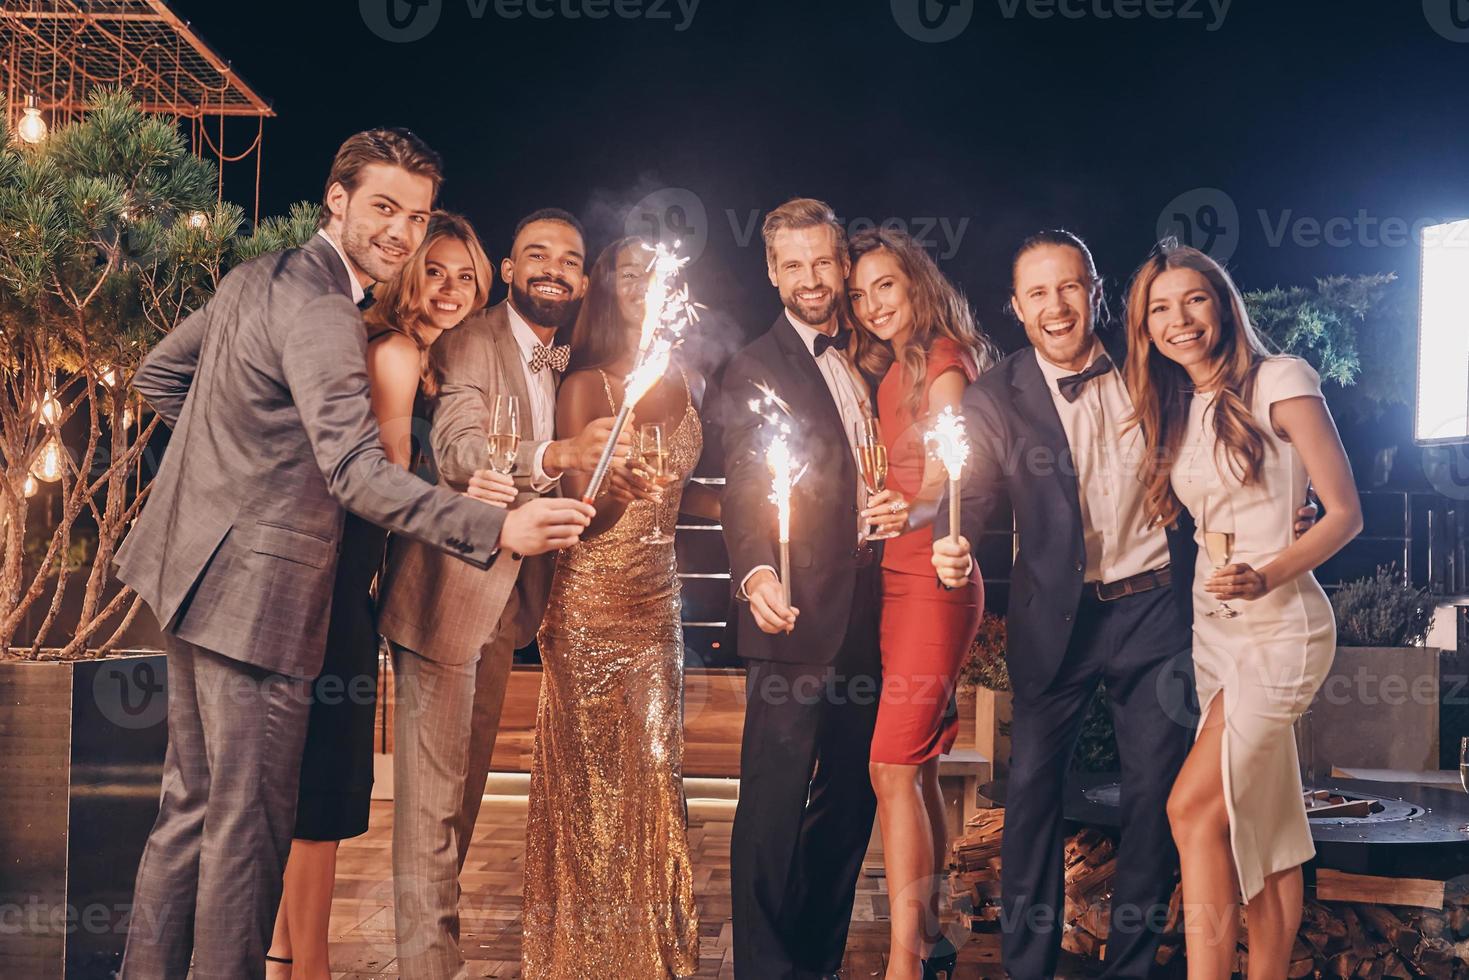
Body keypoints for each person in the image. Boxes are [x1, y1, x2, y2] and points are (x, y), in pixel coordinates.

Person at [114, 129, 593, 980]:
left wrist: (245, 462)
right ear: (335, 200)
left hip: (187, 576)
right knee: (245, 829)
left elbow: (160, 376)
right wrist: (493, 528)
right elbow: (353, 472)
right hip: (257, 600)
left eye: (413, 215)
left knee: (188, 810)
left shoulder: (254, 278)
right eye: (382, 207)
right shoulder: (325, 309)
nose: (401, 233)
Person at [931, 231, 1318, 980]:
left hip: (1156, 615)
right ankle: (1027, 965)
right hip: (1056, 621)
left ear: (1096, 292)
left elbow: (1246, 438)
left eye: (1069, 287)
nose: (1055, 305)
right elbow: (966, 499)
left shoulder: (1156, 370)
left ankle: (1132, 967)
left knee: (1153, 801)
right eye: (1037, 293)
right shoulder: (992, 395)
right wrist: (953, 547)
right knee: (1033, 801)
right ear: (1015, 308)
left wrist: (1299, 505)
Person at [374, 208, 639, 979]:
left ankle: (437, 958)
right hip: (446, 594)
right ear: (512, 270)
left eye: (569, 259)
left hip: (510, 603)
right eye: (536, 256)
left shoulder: (569, 360)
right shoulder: (468, 340)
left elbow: (567, 480)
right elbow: (458, 444)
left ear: (583, 280)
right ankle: (430, 969)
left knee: (460, 805)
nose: (553, 268)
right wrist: (553, 450)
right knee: (430, 812)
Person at [264, 213, 511, 979]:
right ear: (408, 277)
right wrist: (477, 500)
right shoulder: (398, 353)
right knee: (328, 788)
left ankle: (281, 954)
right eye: (433, 271)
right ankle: (312, 968)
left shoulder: (422, 358)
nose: (448, 288)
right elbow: (391, 484)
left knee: (321, 776)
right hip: (340, 578)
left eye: (464, 276)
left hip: (351, 577)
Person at [1122, 243, 1360, 979]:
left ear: (1222, 304)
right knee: (1260, 824)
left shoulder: (1279, 380)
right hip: (1213, 635)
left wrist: (1267, 573)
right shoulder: (1174, 406)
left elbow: (1345, 514)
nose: (1177, 319)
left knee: (1190, 810)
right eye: (1158, 308)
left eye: (1192, 299)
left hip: (1282, 623)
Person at [522, 236, 720, 978]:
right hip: (588, 610)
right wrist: (611, 491)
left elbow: (680, 495)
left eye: (654, 273)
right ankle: (586, 961)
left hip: (657, 605)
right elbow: (580, 518)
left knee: (655, 776)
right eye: (629, 273)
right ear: (605, 288)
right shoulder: (589, 386)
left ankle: (651, 959)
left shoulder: (683, 379)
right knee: (591, 791)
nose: (643, 284)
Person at [721, 198, 882, 980]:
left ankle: (814, 959)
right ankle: (761, 968)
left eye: (822, 261)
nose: (811, 278)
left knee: (850, 801)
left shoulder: (869, 355)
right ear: (771, 272)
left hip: (870, 609)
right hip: (791, 611)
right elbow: (748, 486)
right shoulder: (757, 364)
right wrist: (755, 575)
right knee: (773, 810)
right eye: (793, 264)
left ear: (842, 262)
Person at [844, 228, 997, 980]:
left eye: (886, 287)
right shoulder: (890, 368)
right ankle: (932, 935)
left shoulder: (941, 363)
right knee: (922, 766)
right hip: (894, 582)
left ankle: (903, 963)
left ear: (917, 285)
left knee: (890, 769)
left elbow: (944, 470)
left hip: (934, 581)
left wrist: (901, 516)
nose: (873, 305)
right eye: (861, 293)